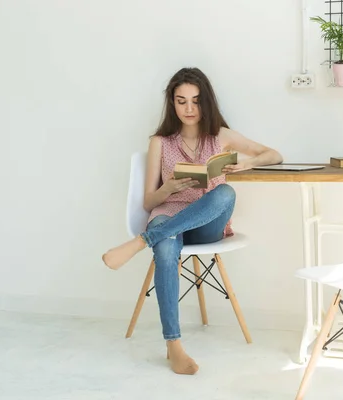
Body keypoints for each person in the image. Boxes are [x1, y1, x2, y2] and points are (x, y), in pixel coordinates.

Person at [102, 67, 283, 375]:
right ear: (172, 103)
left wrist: (248, 163)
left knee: (225, 193)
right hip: (168, 214)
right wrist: (168, 188)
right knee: (166, 249)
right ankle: (174, 346)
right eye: (181, 101)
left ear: (206, 102)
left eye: (195, 101)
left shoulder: (221, 136)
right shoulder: (160, 142)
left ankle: (141, 241)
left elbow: (274, 154)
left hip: (207, 222)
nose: (188, 109)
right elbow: (148, 202)